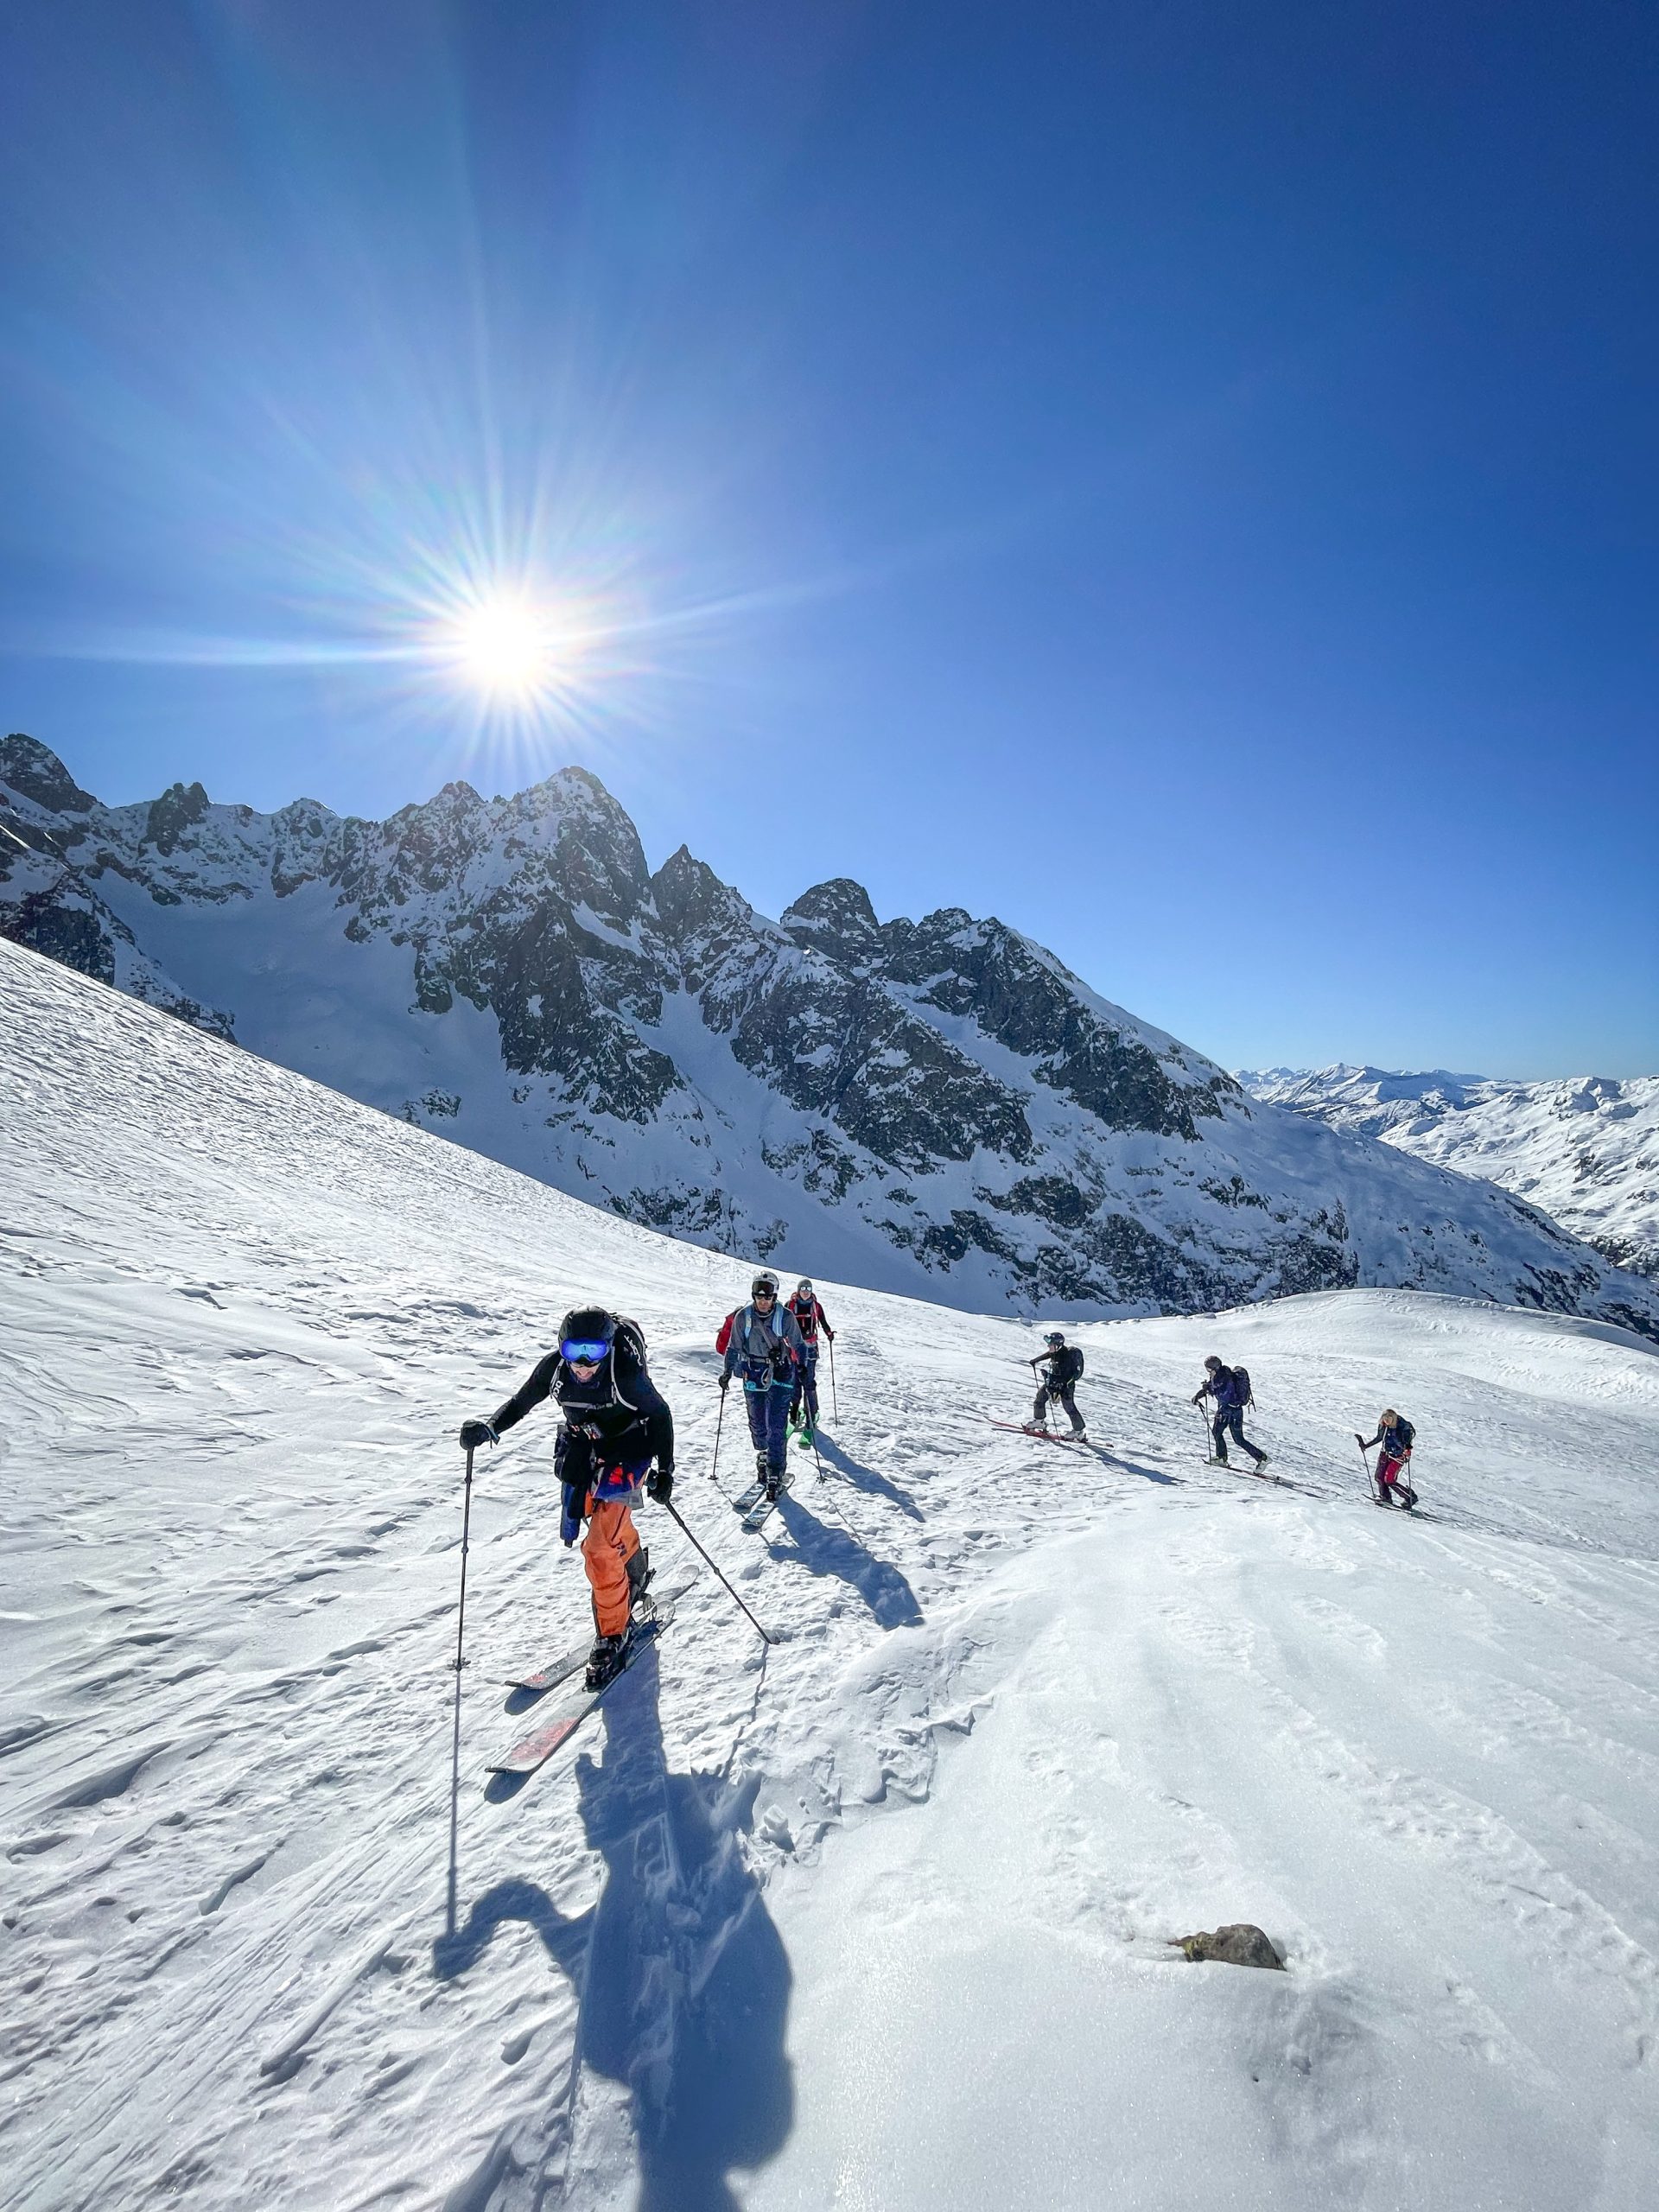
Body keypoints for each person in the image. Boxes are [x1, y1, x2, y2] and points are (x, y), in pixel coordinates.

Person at [460, 1306, 675, 1689]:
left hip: (628, 1452)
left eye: (593, 1351)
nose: (584, 1363)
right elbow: (522, 1402)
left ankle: (613, 1633)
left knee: (597, 1548)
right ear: (563, 1348)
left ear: (608, 1348)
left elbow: (660, 1415)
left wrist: (665, 1470)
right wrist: (491, 1427)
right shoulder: (556, 1371)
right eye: (575, 1351)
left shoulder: (624, 1374)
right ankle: (634, 1573)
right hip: (585, 1450)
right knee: (595, 1523)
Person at [720, 1271, 806, 1498]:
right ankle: (764, 1454)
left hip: (781, 1374)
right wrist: (727, 1371)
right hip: (754, 1374)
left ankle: (776, 1470)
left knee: (777, 1425)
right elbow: (733, 1347)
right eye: (759, 1295)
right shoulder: (743, 1317)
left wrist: (803, 1367)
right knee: (758, 1424)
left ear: (774, 1296)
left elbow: (799, 1344)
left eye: (767, 1296)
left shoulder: (785, 1317)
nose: (763, 1300)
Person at [1192, 1356, 1270, 1471]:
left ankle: (1221, 1458)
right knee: (1238, 1438)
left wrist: (1209, 1388)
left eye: (1209, 1370)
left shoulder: (1222, 1378)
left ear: (1215, 1368)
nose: (1209, 1372)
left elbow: (1224, 1394)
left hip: (1226, 1410)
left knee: (1217, 1432)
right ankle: (1262, 1458)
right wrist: (1200, 1394)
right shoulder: (1224, 1375)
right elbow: (1214, 1388)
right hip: (1237, 1410)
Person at [785, 1278, 835, 1439]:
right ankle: (794, 1409)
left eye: (808, 1288)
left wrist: (829, 1333)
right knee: (794, 1380)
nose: (806, 1291)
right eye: (803, 1288)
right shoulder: (790, 1305)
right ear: (798, 1290)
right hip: (793, 1349)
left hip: (810, 1348)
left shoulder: (816, 1306)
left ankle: (811, 1412)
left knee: (808, 1380)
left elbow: (823, 1321)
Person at [1029, 1330, 1086, 1438]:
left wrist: (1047, 1376)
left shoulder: (1066, 1358)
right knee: (1040, 1398)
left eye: (1051, 1344)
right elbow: (1049, 1355)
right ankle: (1039, 1421)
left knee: (1069, 1407)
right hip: (1052, 1383)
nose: (1048, 1346)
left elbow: (1064, 1377)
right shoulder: (1057, 1352)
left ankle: (1079, 1432)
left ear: (1058, 1345)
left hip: (1066, 1387)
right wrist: (1035, 1360)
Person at [1357, 1410, 1418, 1508]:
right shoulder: (1383, 1425)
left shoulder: (1402, 1427)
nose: (1386, 1422)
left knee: (1389, 1480)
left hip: (1398, 1456)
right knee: (1379, 1477)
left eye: (1389, 1419)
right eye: (1385, 1419)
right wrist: (1366, 1446)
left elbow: (1407, 1442)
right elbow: (1379, 1437)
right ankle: (1385, 1498)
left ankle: (1410, 1497)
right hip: (1385, 1453)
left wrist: (1407, 1450)